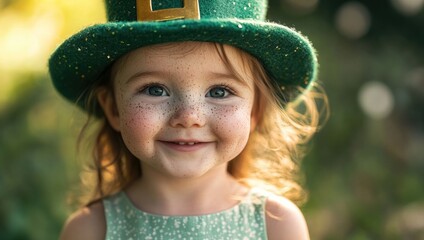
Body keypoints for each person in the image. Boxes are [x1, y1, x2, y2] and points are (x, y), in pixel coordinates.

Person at [49, 0, 327, 239]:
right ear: (113, 109)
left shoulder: (276, 226)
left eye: (219, 91)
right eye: (154, 89)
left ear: (255, 110)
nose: (188, 117)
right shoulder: (90, 231)